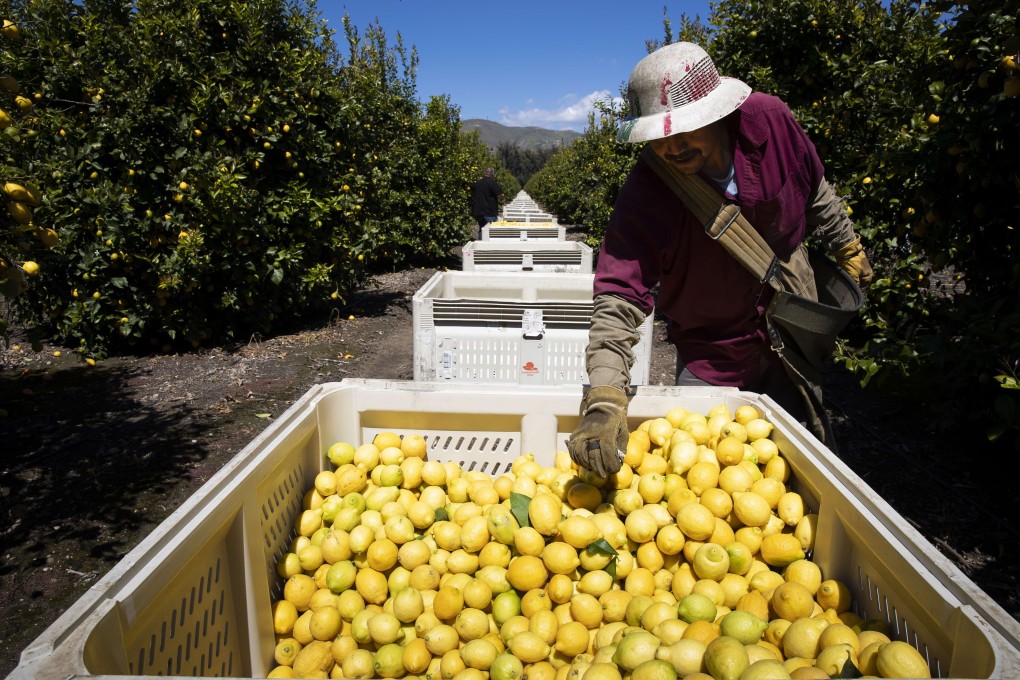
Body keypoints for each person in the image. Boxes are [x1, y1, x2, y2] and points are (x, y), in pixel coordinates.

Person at [568, 42, 873, 478]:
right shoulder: (648, 191)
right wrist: (604, 399)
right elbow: (618, 294)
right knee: (696, 477)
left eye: (686, 129)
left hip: (794, 331)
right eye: (658, 137)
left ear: (717, 112)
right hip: (712, 351)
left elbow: (814, 187)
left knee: (794, 468)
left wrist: (847, 244)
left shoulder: (770, 122)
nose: (671, 147)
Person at [471, 167, 504, 237]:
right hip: (489, 212)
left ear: (485, 173)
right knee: (490, 232)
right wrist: (502, 196)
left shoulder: (478, 183)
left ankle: (480, 245)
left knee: (482, 229)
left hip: (479, 212)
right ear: (492, 174)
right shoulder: (492, 182)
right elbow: (499, 195)